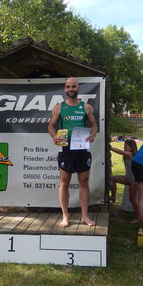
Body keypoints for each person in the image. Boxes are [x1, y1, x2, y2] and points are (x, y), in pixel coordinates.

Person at [48, 77, 98, 227]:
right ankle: (65, 216)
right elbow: (51, 126)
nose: (71, 89)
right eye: (68, 87)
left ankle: (84, 216)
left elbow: (94, 125)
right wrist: (54, 136)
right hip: (66, 149)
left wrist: (93, 134)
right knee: (64, 182)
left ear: (78, 88)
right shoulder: (58, 107)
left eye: (73, 86)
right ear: (65, 89)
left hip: (82, 148)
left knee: (84, 182)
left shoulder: (86, 107)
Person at [111, 138, 140, 223]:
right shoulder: (127, 154)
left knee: (132, 199)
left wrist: (110, 147)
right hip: (128, 178)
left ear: (131, 148)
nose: (124, 148)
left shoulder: (131, 154)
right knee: (113, 179)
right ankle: (113, 197)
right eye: (124, 146)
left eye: (126, 146)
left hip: (133, 181)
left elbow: (120, 152)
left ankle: (138, 217)